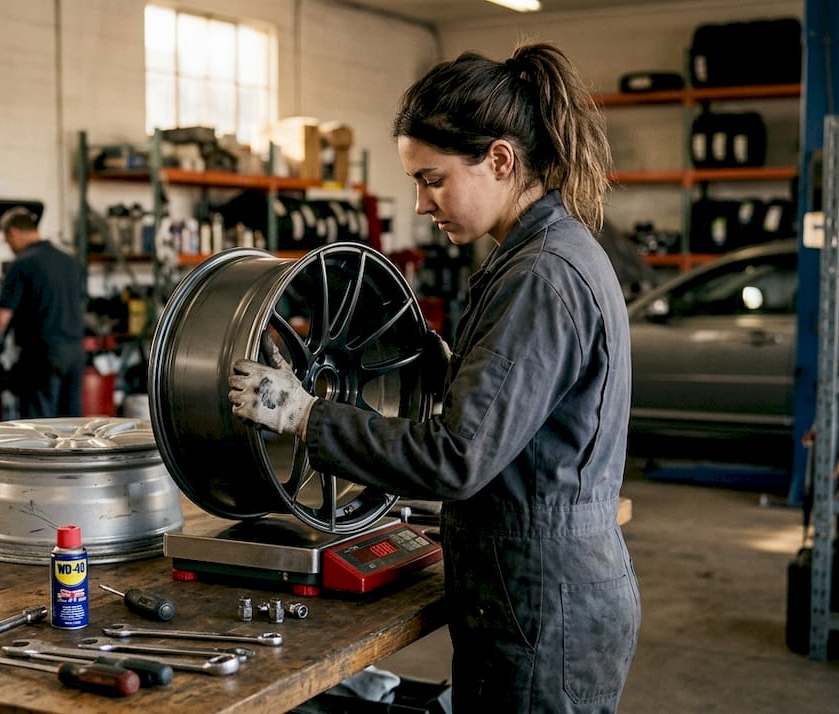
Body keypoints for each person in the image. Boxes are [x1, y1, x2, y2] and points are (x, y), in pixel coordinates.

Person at [228, 43, 640, 712]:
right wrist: (452, 370)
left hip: (542, 607)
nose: (420, 203)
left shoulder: (538, 276)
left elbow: (457, 458)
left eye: (433, 179)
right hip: (534, 590)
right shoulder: (541, 252)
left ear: (500, 160)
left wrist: (306, 416)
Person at [0, 206, 85, 418]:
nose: (8, 245)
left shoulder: (22, 263)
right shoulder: (68, 261)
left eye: (6, 239)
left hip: (42, 355)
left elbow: (1, 317)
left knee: (39, 427)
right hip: (75, 352)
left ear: (14, 232)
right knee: (72, 424)